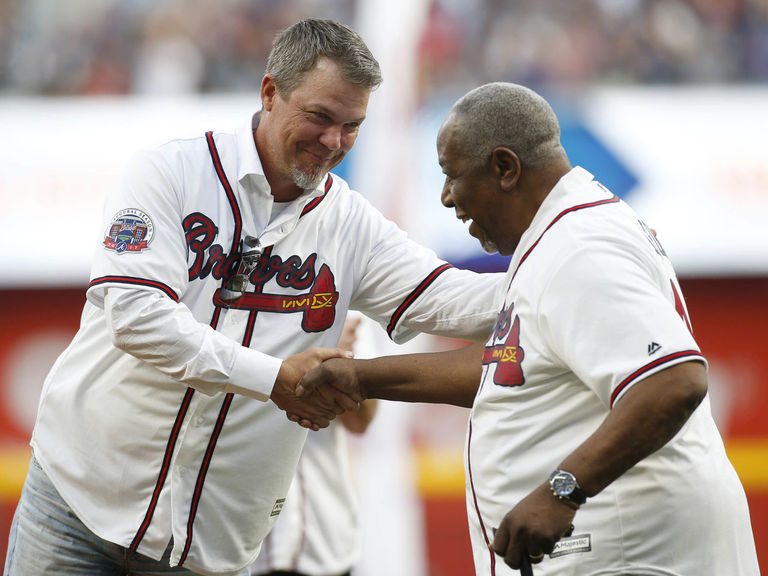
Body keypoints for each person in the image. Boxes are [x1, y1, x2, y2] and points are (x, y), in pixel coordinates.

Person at [3, 19, 504, 576]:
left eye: (351, 126)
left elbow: (454, 299)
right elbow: (137, 316)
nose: (333, 141)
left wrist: (569, 261)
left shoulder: (351, 223)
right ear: (270, 93)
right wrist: (274, 379)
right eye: (319, 117)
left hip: (210, 546)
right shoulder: (170, 172)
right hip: (77, 507)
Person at [296, 82, 762, 575]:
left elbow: (674, 380)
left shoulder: (578, 246)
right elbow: (513, 366)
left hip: (633, 550)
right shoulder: (557, 235)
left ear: (505, 168)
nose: (447, 197)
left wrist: (564, 489)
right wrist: (363, 377)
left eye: (453, 175)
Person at [249, 314, 378, 576]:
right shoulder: (213, 285)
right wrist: (306, 347)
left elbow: (360, 421)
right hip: (235, 537)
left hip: (323, 534)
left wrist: (336, 361)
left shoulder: (344, 292)